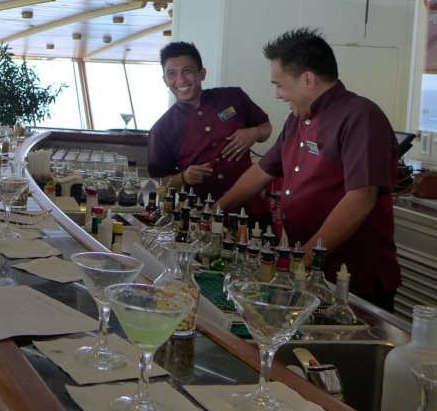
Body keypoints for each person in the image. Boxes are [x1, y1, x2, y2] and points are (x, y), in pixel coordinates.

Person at [217, 27, 401, 310]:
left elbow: (361, 197)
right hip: (310, 271)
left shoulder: (360, 117)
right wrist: (216, 210)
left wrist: (303, 258)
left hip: (353, 277)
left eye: (279, 85)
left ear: (307, 79)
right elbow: (261, 172)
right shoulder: (297, 120)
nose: (277, 95)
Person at [147, 41, 272, 220]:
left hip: (251, 211)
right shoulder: (162, 129)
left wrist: (254, 133)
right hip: (201, 216)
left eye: (187, 70)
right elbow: (159, 182)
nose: (180, 80)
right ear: (165, 80)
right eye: (172, 73)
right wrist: (183, 177)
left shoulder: (233, 97)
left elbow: (266, 127)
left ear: (202, 73)